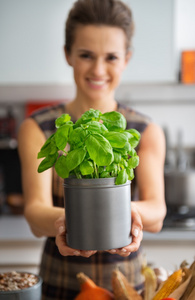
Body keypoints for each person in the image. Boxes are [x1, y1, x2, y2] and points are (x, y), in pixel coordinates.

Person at [18, 0, 167, 299]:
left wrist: (126, 212)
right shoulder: (38, 128)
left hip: (127, 286)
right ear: (68, 55)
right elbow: (35, 214)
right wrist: (68, 221)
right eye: (86, 55)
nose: (98, 69)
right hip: (60, 284)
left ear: (126, 59)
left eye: (111, 57)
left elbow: (158, 212)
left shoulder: (144, 130)